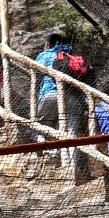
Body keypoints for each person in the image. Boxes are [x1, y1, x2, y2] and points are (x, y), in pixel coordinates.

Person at [33, 34, 90, 181]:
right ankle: (71, 165)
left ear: (48, 44)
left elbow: (36, 76)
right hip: (72, 99)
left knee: (42, 127)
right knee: (71, 132)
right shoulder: (70, 56)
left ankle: (49, 158)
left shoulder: (44, 55)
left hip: (50, 95)